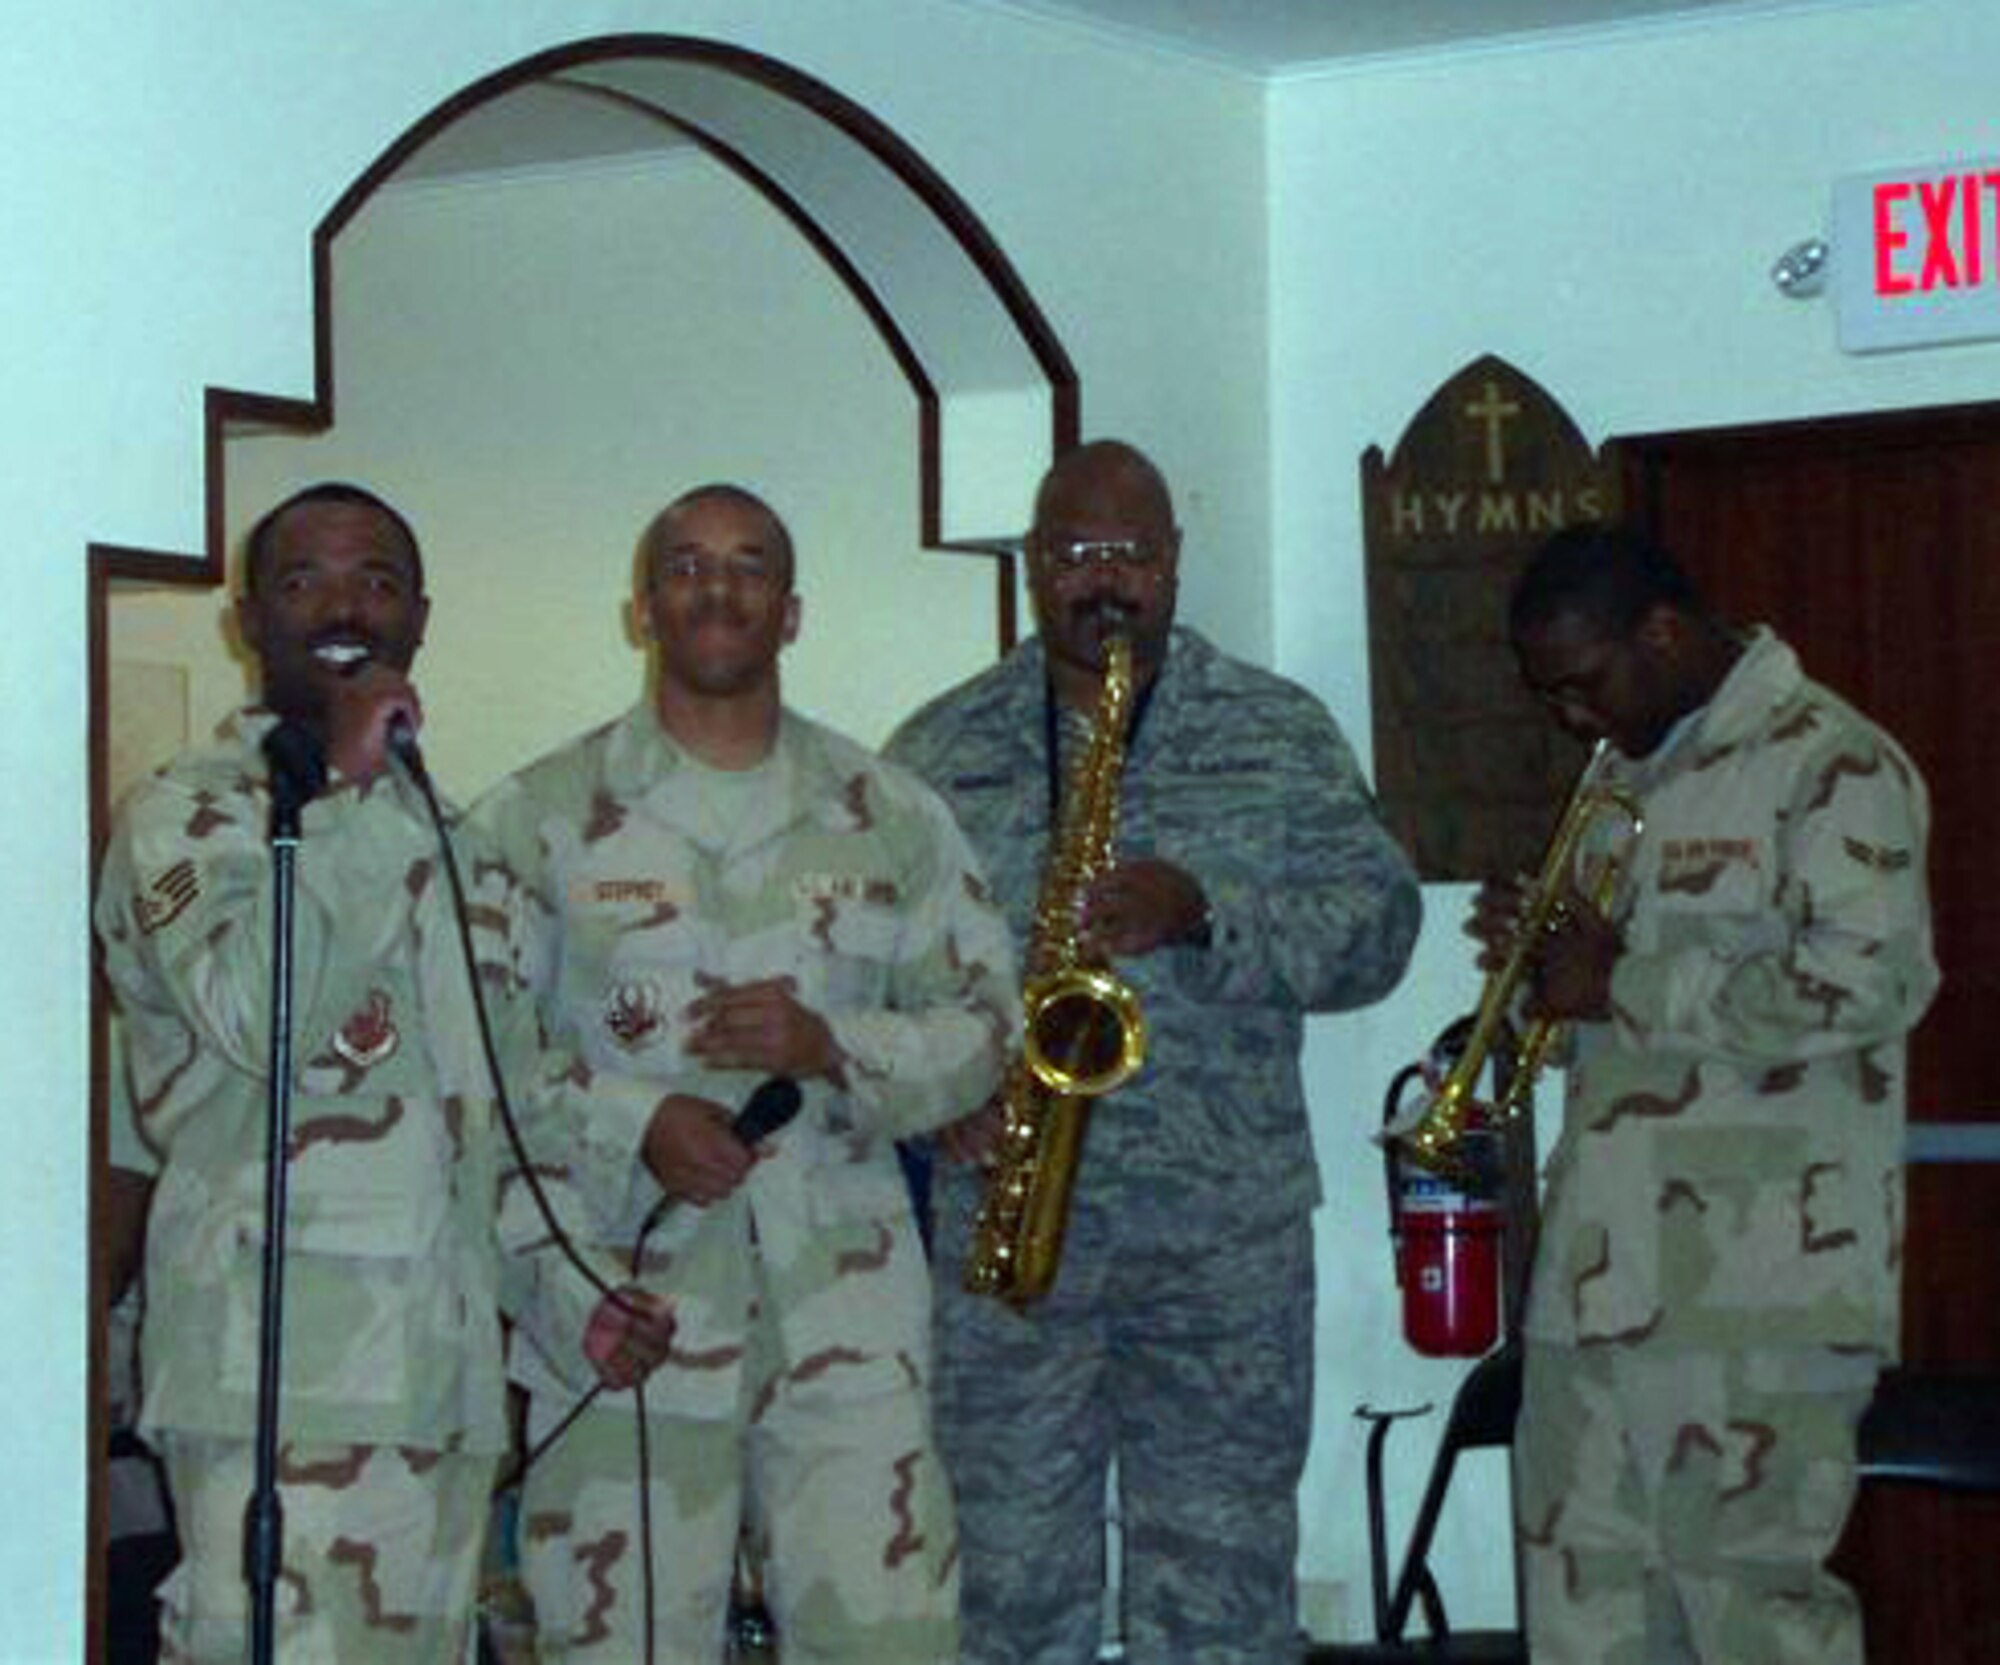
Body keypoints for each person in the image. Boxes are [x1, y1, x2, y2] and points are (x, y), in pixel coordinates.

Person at [94, 482, 674, 1664]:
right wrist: (351, 804)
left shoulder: (452, 844)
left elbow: (492, 1117)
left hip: (437, 1394)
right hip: (277, 1399)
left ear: (418, 617)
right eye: (304, 580)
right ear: (249, 620)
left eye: (376, 580)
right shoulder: (187, 818)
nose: (343, 605)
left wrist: (574, 1296)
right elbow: (258, 1010)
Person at [884, 438, 1424, 1665]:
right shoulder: (937, 749)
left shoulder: (1275, 731)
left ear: (1175, 563)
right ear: (1033, 567)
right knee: (1006, 1590)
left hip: (1220, 1246)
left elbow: (1380, 930)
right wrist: (928, 1102)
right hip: (1007, 1236)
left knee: (1223, 1585)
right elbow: (868, 971)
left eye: (1132, 552)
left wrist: (1209, 917)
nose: (1104, 580)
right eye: (1075, 554)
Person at [471, 483, 1016, 1663]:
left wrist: (836, 1049)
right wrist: (634, 1118)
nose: (717, 589)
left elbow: (986, 1029)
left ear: (791, 611)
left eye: (749, 566)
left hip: (848, 1319)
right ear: (641, 608)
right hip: (620, 1312)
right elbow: (474, 1064)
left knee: (886, 1643)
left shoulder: (888, 815)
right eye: (686, 567)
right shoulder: (535, 820)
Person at [1469, 523, 1939, 1664]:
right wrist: (1539, 972)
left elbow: (1872, 979)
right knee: (1585, 1615)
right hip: (1596, 1281)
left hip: (1750, 1294)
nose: (1568, 716)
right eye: (1548, 692)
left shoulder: (1832, 763)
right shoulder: (1623, 778)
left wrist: (1618, 978)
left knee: (1749, 1621)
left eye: (1579, 683)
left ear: (1662, 633)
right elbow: (1593, 1009)